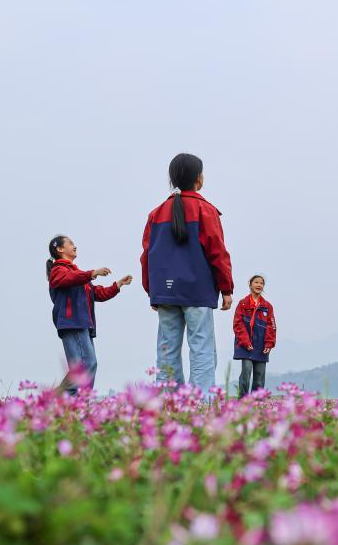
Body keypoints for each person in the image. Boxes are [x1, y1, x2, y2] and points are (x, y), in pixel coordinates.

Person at [141, 153, 234, 388]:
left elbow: (147, 256)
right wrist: (226, 288)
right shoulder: (205, 210)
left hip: (166, 292)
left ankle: (168, 404)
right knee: (201, 348)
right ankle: (201, 404)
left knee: (166, 350)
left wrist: (152, 290)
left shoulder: (156, 213)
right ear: (199, 179)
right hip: (197, 290)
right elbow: (217, 252)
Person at [46, 235, 132, 395]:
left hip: (82, 324)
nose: (75, 246)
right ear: (59, 249)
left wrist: (117, 285)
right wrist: (92, 273)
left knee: (86, 365)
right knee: (86, 365)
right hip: (72, 323)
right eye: (71, 244)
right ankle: (67, 399)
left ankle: (74, 401)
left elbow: (96, 293)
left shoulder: (77, 274)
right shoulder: (58, 271)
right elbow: (68, 279)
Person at [233, 274, 277, 397]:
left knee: (259, 375)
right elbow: (238, 324)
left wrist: (269, 343)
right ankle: (243, 400)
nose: (259, 285)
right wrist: (246, 342)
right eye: (256, 282)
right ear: (250, 284)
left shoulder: (267, 306)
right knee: (246, 372)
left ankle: (258, 404)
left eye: (261, 283)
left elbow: (271, 326)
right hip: (244, 344)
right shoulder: (242, 304)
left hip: (261, 345)